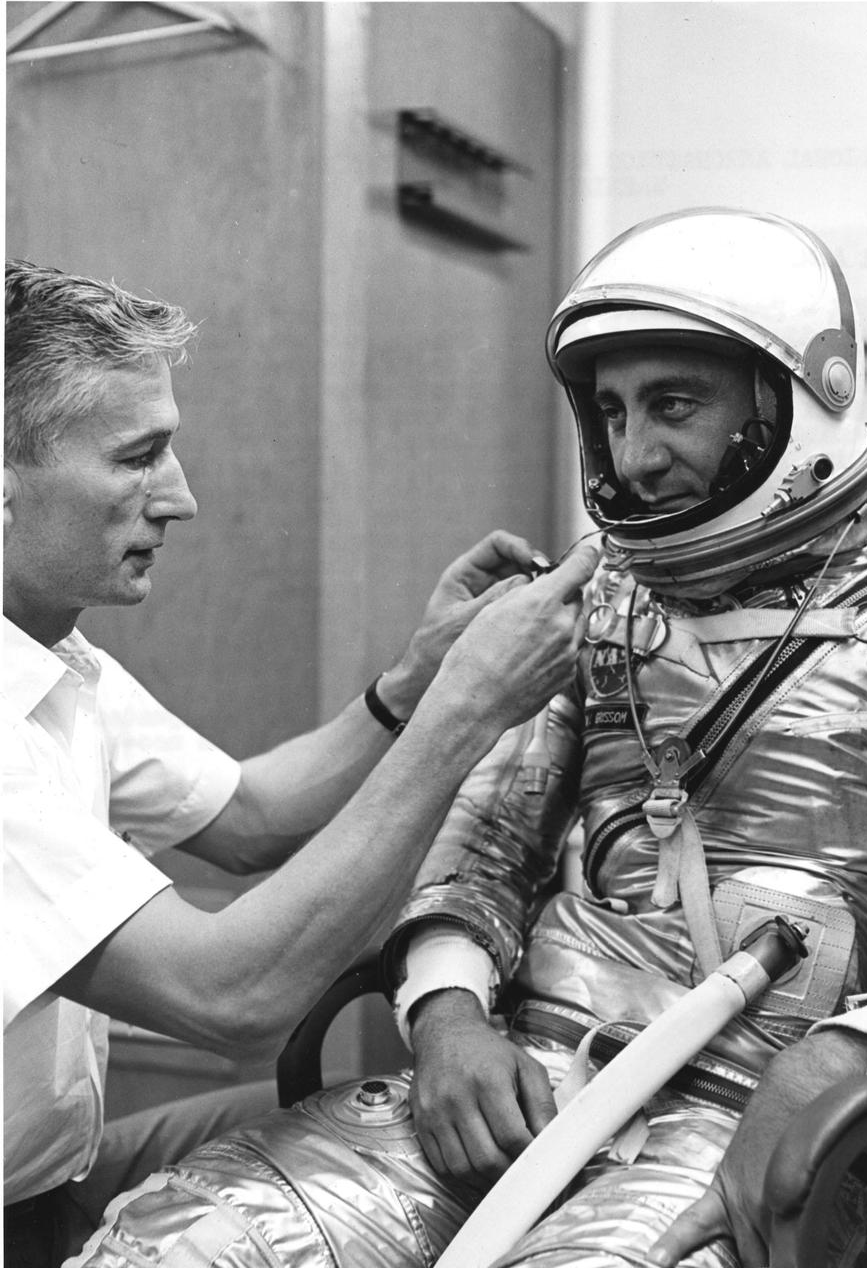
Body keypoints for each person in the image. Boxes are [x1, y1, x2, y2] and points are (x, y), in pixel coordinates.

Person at [66, 210, 867, 1268]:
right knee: (170, 1242)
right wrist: (447, 1015)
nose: (632, 454)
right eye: (609, 411)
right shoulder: (594, 612)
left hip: (750, 1124)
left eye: (674, 406)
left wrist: (846, 1052)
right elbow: (478, 855)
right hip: (509, 1093)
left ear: (792, 404)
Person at [2, 256, 598, 1267]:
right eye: (137, 457)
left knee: (378, 1127)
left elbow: (254, 816)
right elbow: (228, 996)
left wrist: (411, 683)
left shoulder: (53, 654)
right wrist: (461, 715)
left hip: (45, 1174)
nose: (179, 497)